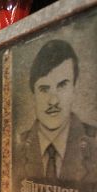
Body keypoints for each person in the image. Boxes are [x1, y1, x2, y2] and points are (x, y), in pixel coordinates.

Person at [16, 39, 97, 182]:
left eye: (62, 85)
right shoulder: (16, 150)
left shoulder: (93, 145)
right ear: (33, 93)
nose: (53, 100)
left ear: (74, 87)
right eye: (44, 89)